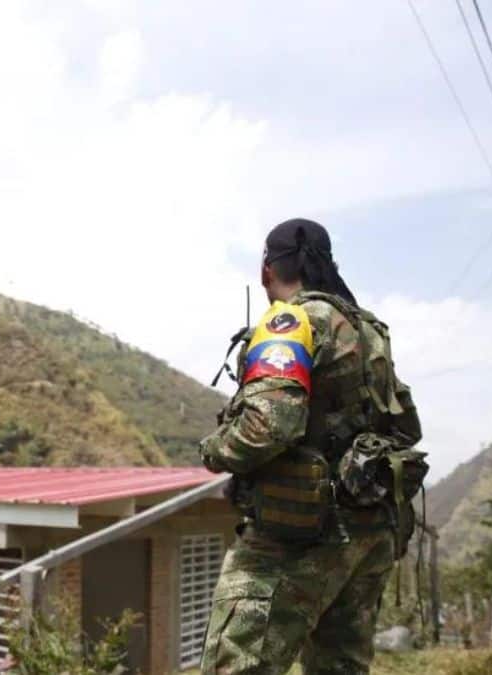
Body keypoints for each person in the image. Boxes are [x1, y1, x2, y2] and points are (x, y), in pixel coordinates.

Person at [199, 218, 424, 674]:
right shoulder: (367, 330)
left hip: (298, 534)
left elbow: (268, 427)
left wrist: (214, 448)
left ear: (267, 270)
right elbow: (405, 425)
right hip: (368, 532)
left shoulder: (291, 321)